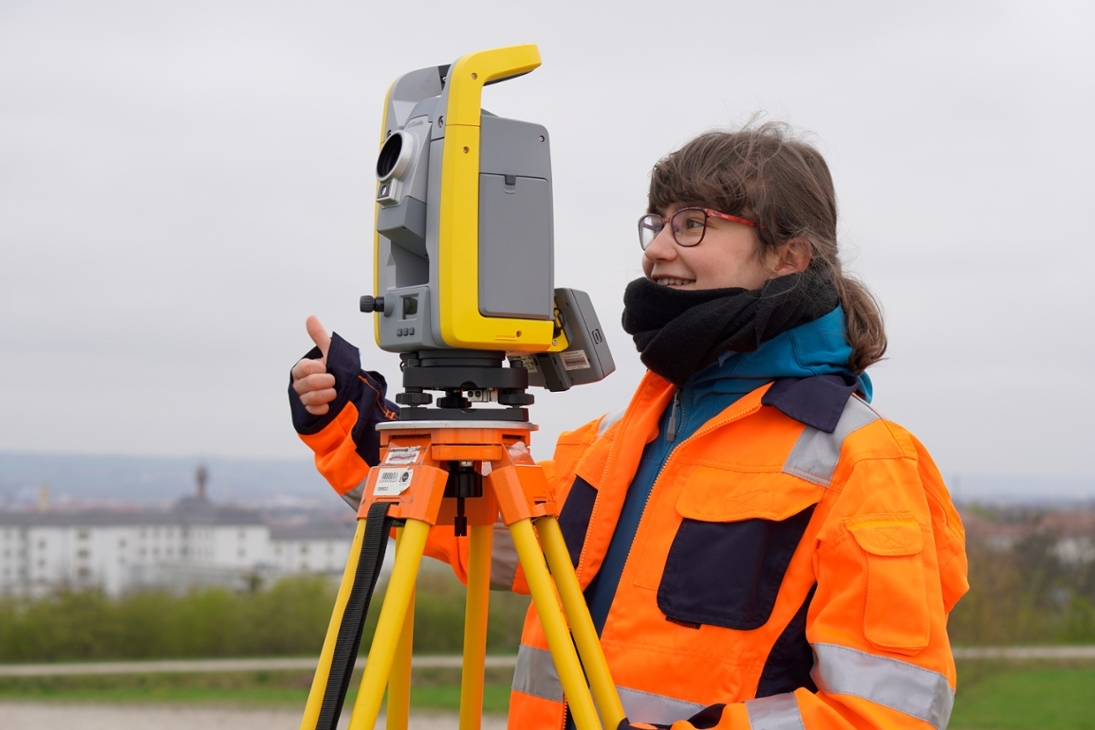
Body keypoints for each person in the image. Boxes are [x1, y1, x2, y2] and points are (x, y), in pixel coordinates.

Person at [289, 122, 969, 730]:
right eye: (657, 223)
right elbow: (468, 530)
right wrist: (348, 421)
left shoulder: (863, 461)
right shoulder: (622, 436)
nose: (658, 250)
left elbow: (886, 712)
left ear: (786, 257)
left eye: (693, 225)